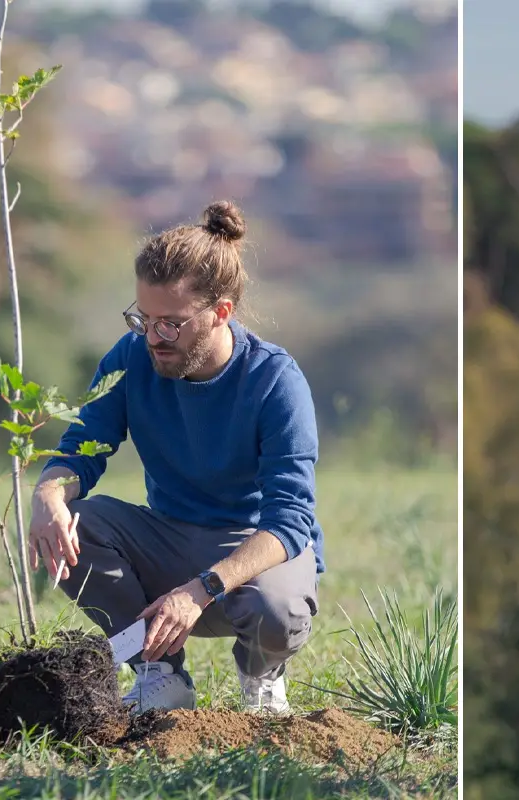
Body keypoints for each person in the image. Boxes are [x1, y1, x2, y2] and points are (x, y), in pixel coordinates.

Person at [27, 200, 324, 716]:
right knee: (74, 522)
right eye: (143, 318)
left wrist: (201, 589)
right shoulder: (130, 356)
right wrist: (48, 494)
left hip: (254, 556)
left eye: (170, 323)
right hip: (168, 537)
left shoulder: (276, 381)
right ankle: (159, 675)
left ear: (220, 313)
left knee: (276, 611)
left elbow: (290, 520)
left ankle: (262, 676)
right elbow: (81, 449)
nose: (152, 338)